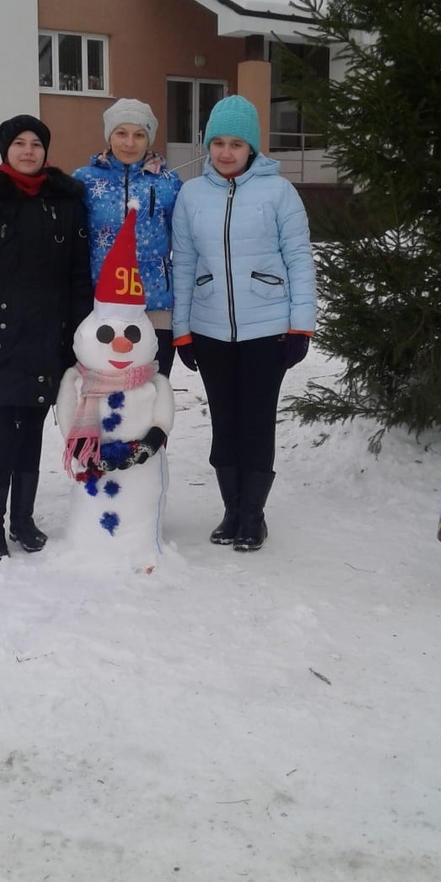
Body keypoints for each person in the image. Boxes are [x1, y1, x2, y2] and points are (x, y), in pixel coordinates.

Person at [171, 94, 316, 550]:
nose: (226, 152)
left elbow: (299, 260)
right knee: (224, 422)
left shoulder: (279, 192)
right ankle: (231, 511)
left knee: (256, 422)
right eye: (218, 142)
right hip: (210, 330)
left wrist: (301, 326)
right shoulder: (191, 195)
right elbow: (183, 265)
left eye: (236, 143)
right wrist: (182, 330)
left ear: (252, 146)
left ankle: (253, 516)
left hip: (267, 332)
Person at [0, 114, 93, 563]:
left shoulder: (65, 201)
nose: (28, 150)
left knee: (31, 430)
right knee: (4, 432)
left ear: (45, 151)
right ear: (6, 150)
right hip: (2, 341)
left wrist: (78, 339)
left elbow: (78, 277)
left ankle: (23, 520)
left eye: (36, 143)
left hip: (49, 339)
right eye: (19, 143)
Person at [72, 97, 182, 377]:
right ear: (109, 136)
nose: (129, 143)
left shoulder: (168, 184)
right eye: (121, 133)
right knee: (105, 397)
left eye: (139, 135)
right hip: (101, 305)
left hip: (155, 306)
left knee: (151, 394)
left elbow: (184, 243)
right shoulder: (84, 181)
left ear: (149, 139)